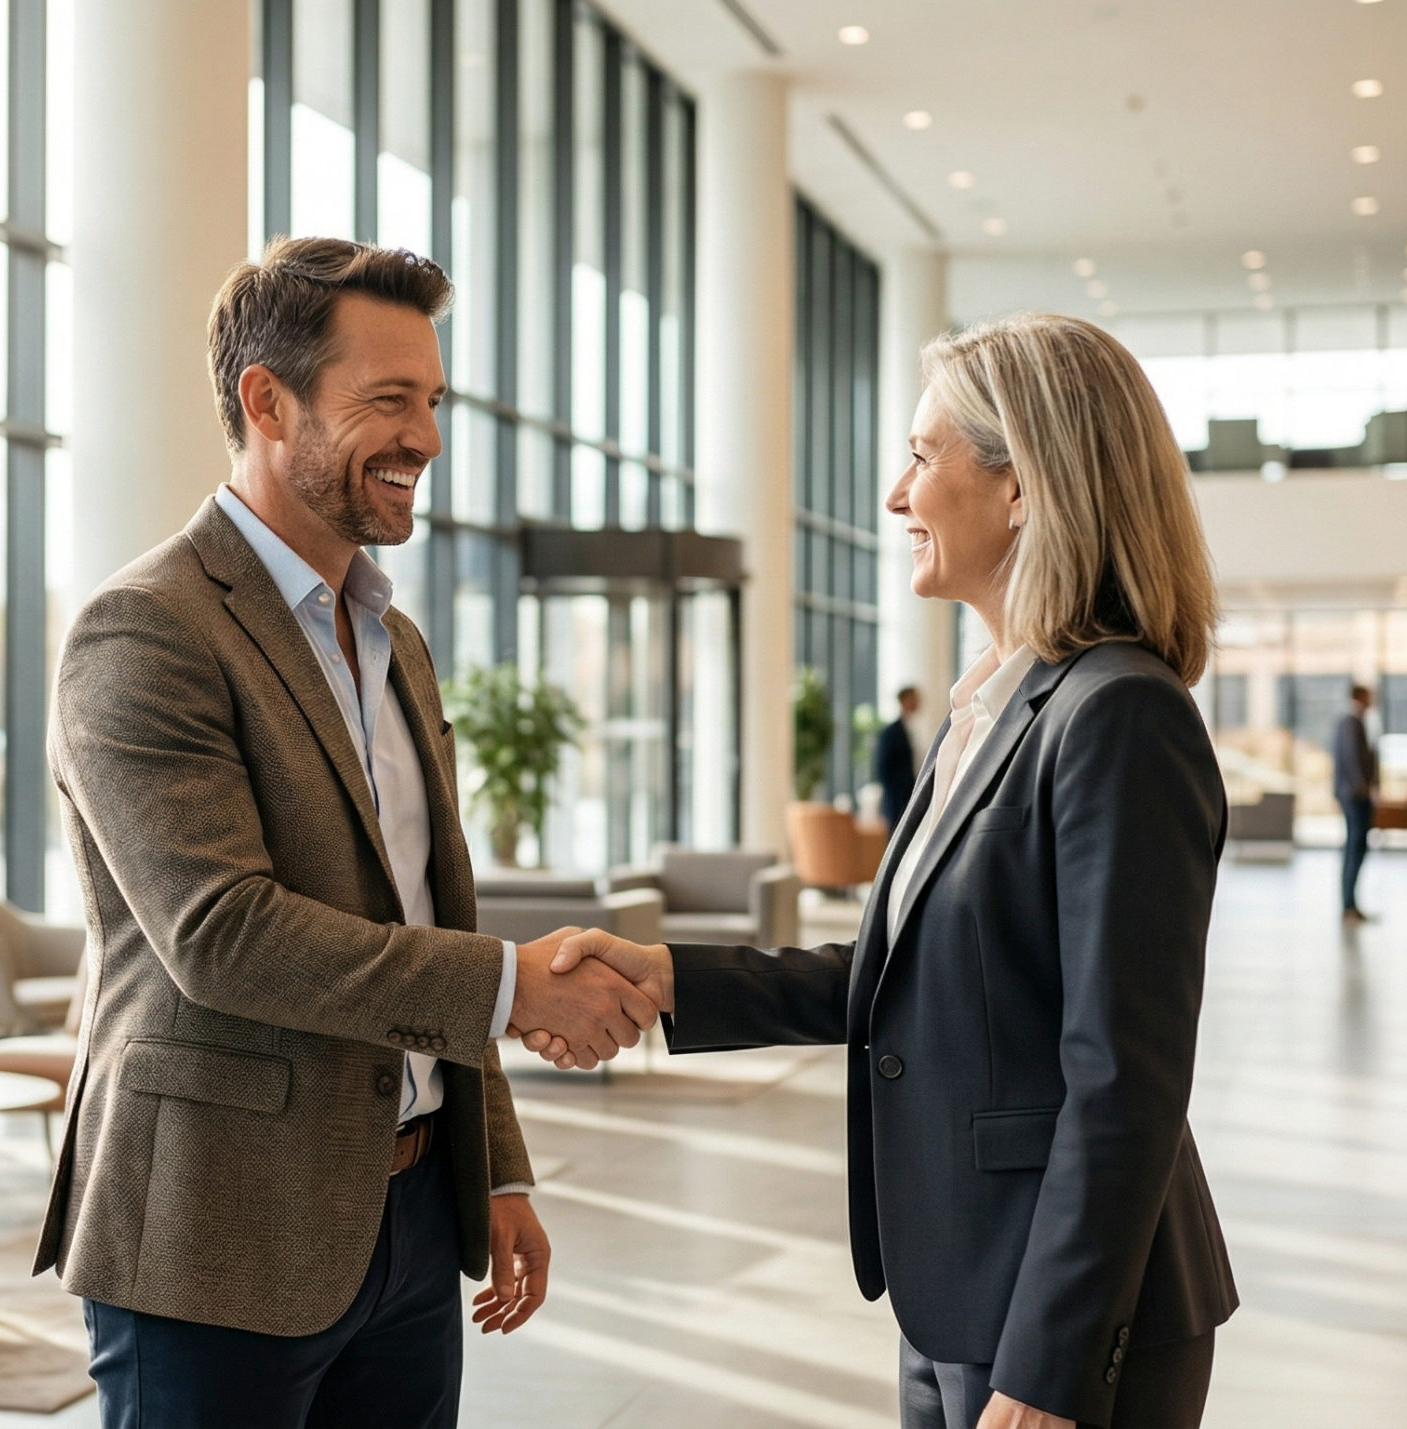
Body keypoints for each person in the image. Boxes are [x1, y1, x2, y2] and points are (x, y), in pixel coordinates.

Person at [524, 312, 1238, 1429]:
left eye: (922, 455)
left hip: (1065, 1329)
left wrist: (1046, 1371)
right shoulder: (995, 707)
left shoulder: (1116, 715)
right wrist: (667, 976)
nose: (897, 497)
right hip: (957, 1293)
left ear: (1022, 486)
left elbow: (1123, 1079)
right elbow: (908, 973)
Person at [40, 236, 660, 1429]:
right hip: (217, 1232)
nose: (424, 437)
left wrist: (496, 1163)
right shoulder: (146, 630)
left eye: (430, 401)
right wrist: (517, 984)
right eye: (386, 401)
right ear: (265, 403)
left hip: (416, 1220)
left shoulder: (393, 641)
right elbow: (223, 937)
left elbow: (428, 919)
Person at [1333, 685, 1379, 923]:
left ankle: (1351, 903)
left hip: (1355, 793)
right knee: (1354, 847)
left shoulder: (1357, 721)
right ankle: (1349, 904)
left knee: (1356, 846)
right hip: (1354, 795)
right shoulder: (1351, 721)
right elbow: (1352, 756)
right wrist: (1362, 785)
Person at [874, 685, 924, 822]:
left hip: (911, 794)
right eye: (914, 698)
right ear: (904, 700)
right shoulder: (891, 732)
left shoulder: (913, 727)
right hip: (897, 799)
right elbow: (883, 766)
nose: (918, 701)